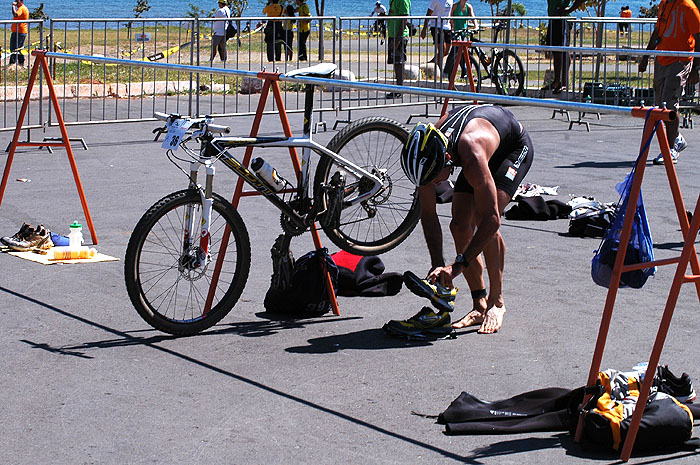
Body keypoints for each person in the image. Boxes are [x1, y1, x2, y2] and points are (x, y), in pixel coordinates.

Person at [392, 104, 534, 336]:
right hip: (476, 147)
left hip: (512, 148)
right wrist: (437, 266)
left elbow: (492, 220)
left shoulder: (471, 153)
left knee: (482, 215)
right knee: (458, 224)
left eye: (435, 179)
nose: (434, 184)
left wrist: (456, 267)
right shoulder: (426, 158)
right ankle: (479, 303)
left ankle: (496, 302)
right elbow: (428, 216)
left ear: (447, 159)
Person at [639, 0, 700, 165]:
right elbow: (658, 31)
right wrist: (646, 57)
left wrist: (696, 67)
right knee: (660, 105)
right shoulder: (664, 4)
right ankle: (677, 137)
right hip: (662, 58)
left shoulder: (688, 7)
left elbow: (698, 36)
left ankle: (671, 149)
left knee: (669, 103)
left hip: (680, 60)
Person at [542, 0, 586, 94]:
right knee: (555, 51)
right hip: (553, 19)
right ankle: (556, 81)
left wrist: (568, 10)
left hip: (562, 20)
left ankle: (563, 83)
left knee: (562, 50)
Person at [386, 0, 410, 99]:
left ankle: (400, 89)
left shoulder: (403, 0)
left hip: (399, 36)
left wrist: (398, 39)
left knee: (399, 62)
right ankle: (398, 87)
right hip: (393, 34)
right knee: (396, 62)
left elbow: (404, 19)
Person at [448, 0, 477, 78]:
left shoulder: (468, 7)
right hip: (456, 32)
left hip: (464, 32)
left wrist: (476, 26)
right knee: (456, 52)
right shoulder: (455, 6)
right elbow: (450, 18)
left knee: (462, 52)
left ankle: (464, 72)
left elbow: (473, 17)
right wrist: (452, 28)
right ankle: (449, 71)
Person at [421, 0, 454, 66]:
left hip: (447, 27)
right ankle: (439, 71)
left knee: (446, 51)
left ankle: (431, 63)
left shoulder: (450, 0)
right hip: (436, 26)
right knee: (442, 50)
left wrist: (452, 25)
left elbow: (450, 13)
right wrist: (424, 29)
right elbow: (428, 14)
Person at [9, 0, 29, 67]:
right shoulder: (21, 8)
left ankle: (15, 63)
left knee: (17, 48)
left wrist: (13, 6)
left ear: (21, 1)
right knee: (15, 48)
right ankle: (17, 63)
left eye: (17, 1)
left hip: (20, 31)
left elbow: (15, 14)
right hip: (17, 31)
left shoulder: (21, 8)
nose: (16, 3)